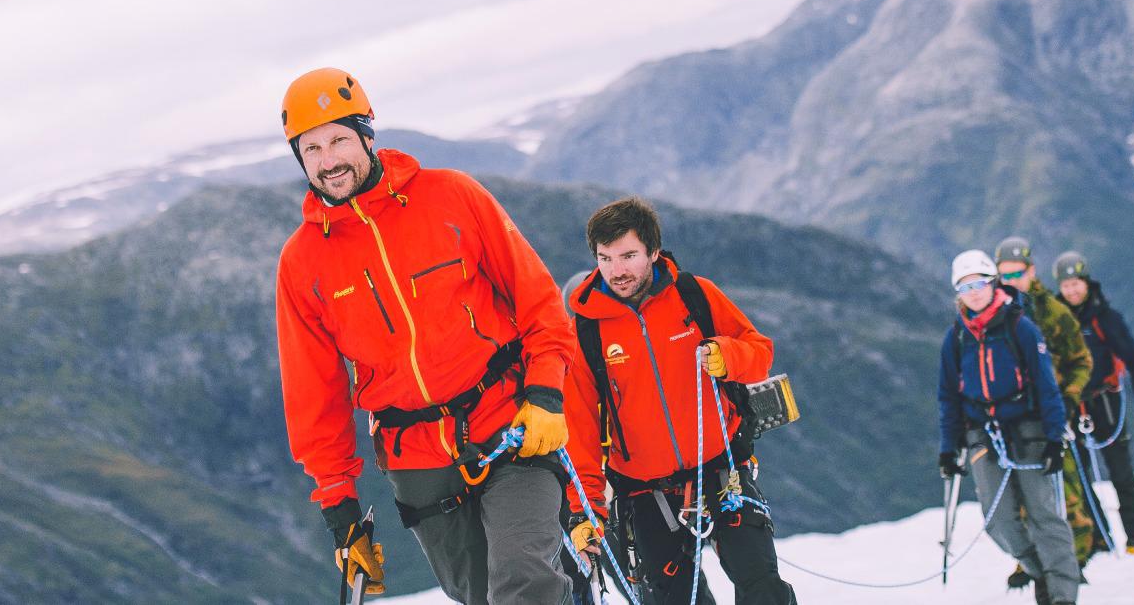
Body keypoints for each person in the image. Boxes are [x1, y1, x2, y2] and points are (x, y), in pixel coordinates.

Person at [273, 68, 605, 604]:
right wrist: (340, 509)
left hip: (511, 423)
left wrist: (546, 392)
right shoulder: (301, 262)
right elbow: (314, 394)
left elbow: (537, 299)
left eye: (338, 140)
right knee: (477, 593)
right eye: (311, 148)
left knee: (524, 578)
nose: (328, 160)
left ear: (367, 135)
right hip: (418, 460)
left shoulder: (452, 196)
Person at [567, 197, 797, 604]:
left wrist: (728, 356)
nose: (616, 271)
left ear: (653, 252)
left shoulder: (694, 295)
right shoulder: (586, 331)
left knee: (764, 590)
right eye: (605, 258)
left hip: (723, 472)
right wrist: (585, 511)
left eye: (628, 256)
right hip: (644, 494)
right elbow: (579, 427)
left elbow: (759, 351)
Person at [940, 249, 1081, 605]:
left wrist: (1054, 437)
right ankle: (1040, 571)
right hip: (982, 433)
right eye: (965, 286)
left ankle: (1062, 595)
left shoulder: (1020, 327)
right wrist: (948, 447)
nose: (973, 292)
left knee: (1043, 514)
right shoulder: (956, 338)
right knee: (997, 519)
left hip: (1028, 428)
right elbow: (948, 396)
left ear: (993, 284)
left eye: (979, 283)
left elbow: (1046, 384)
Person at [995, 236, 1109, 575]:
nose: (1011, 281)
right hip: (1012, 418)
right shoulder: (994, 316)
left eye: (1017, 274)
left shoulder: (1053, 313)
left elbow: (1081, 360)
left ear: (1031, 271)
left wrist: (1068, 398)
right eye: (1004, 275)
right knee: (1021, 495)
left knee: (1065, 490)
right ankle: (1032, 563)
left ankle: (1074, 560)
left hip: (1052, 415)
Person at [1054, 251, 1134, 554]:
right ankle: (1098, 536)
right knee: (1080, 474)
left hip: (1105, 401)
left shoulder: (1105, 319)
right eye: (1066, 285)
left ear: (1086, 282)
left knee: (1120, 470)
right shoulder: (1056, 320)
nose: (1072, 291)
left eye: (1076, 284)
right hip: (1073, 405)